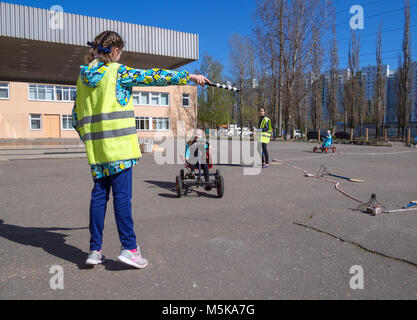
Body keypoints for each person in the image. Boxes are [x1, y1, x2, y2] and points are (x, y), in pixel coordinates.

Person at [72, 31, 211, 269]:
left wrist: (89, 140)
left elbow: (76, 117)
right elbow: (155, 76)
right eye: (120, 53)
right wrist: (189, 76)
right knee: (122, 198)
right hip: (121, 150)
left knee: (99, 197)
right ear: (115, 51)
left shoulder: (82, 78)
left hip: (97, 151)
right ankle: (129, 248)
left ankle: (95, 250)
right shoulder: (119, 72)